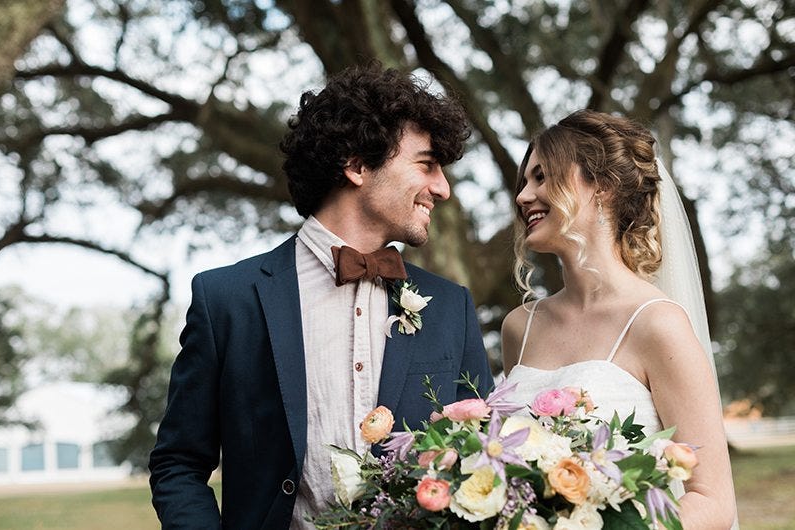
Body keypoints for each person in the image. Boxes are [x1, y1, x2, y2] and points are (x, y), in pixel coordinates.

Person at [148, 63, 494, 529]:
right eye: (426, 164)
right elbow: (179, 464)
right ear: (357, 165)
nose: (442, 188)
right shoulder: (227, 300)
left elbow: (481, 460)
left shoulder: (452, 307)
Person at [500, 109, 737, 528]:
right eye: (524, 182)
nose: (523, 196)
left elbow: (713, 500)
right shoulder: (520, 327)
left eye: (542, 177)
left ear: (603, 186)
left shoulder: (656, 324)